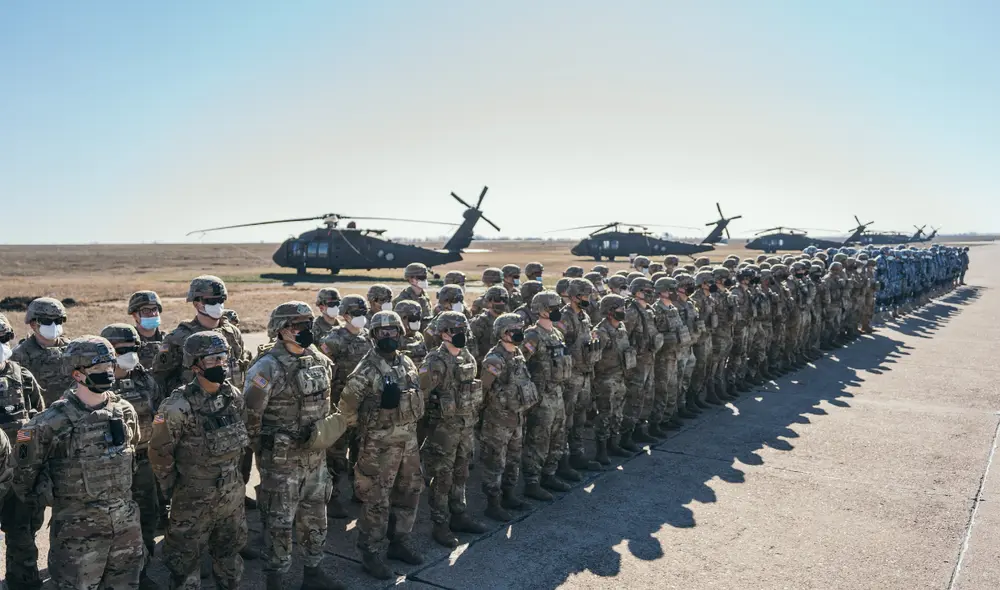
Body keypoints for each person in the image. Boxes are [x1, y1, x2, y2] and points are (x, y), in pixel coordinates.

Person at [13, 336, 144, 589]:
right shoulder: (48, 423)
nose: (107, 373)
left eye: (109, 366)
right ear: (77, 374)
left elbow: (133, 453)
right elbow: (23, 477)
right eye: (98, 368)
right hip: (77, 537)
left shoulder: (125, 411)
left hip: (126, 528)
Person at [243, 302, 347, 590]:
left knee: (316, 518)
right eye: (298, 325)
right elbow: (250, 418)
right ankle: (275, 580)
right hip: (281, 462)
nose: (305, 330)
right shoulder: (266, 368)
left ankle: (313, 573)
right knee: (278, 523)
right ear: (281, 330)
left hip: (315, 457)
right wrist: (267, 453)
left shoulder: (319, 361)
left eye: (307, 324)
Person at [150, 331, 249, 590]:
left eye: (224, 357)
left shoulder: (233, 396)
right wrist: (175, 488)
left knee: (229, 557)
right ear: (195, 365)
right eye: (213, 359)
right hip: (193, 498)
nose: (221, 364)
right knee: (185, 563)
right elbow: (160, 453)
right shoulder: (177, 407)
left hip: (231, 495)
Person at [151, 275, 254, 509]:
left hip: (231, 406)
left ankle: (237, 493)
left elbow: (239, 364)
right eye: (212, 300)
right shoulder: (179, 338)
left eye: (221, 299)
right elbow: (159, 377)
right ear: (197, 303)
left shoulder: (232, 332)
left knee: (239, 454)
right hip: (196, 415)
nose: (218, 304)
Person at [338, 311, 425, 580]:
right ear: (374, 336)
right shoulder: (366, 369)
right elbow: (346, 410)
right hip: (378, 446)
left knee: (409, 492)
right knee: (377, 501)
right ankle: (371, 552)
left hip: (407, 443)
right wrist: (373, 421)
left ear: (400, 333)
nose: (389, 336)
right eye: (382, 332)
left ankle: (399, 541)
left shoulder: (407, 361)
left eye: (393, 331)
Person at [101, 323, 163, 588]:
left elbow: (159, 411)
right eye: (122, 349)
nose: (129, 354)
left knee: (148, 516)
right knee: (114, 526)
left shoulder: (144, 378)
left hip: (144, 460)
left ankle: (142, 571)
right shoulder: (98, 382)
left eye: (133, 348)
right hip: (111, 468)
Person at [418, 311, 488, 547]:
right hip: (443, 432)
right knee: (442, 478)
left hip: (466, 427)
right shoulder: (433, 363)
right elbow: (421, 398)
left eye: (463, 330)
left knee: (462, 473)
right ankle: (440, 524)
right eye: (455, 330)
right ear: (443, 333)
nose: (461, 334)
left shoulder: (467, 356)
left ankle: (459, 515)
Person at [0, 313, 46, 590]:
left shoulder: (22, 377)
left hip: (17, 477)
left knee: (23, 537)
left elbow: (39, 422)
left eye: (3, 339)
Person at [479, 314, 539, 521]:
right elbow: (482, 390)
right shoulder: (494, 359)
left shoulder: (518, 354)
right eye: (513, 329)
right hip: (498, 420)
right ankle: (492, 504)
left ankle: (509, 495)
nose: (518, 333)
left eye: (519, 328)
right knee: (495, 462)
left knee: (513, 459)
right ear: (503, 333)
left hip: (516, 418)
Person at [319, 294, 373, 518]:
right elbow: (323, 372)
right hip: (339, 407)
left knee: (360, 451)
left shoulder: (368, 337)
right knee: (336, 455)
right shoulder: (333, 339)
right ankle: (331, 498)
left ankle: (358, 491)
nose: (361, 317)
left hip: (363, 406)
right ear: (345, 315)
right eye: (356, 313)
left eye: (363, 313)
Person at [521, 291, 574, 500]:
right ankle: (532, 482)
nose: (556, 311)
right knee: (538, 439)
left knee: (557, 436)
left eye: (557, 307)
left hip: (557, 393)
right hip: (541, 397)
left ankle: (549, 474)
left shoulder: (556, 333)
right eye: (552, 308)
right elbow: (519, 364)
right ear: (541, 310)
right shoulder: (532, 336)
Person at [557, 279, 602, 473]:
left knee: (580, 417)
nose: (588, 299)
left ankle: (577, 453)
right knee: (565, 420)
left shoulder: (584, 316)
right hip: (570, 376)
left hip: (584, 374)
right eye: (584, 296)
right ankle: (562, 459)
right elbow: (558, 350)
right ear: (574, 297)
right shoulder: (563, 318)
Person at [591, 295, 634, 465]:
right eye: (620, 309)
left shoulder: (621, 327)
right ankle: (601, 450)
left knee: (617, 414)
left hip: (620, 377)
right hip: (605, 380)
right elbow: (593, 358)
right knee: (604, 415)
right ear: (609, 312)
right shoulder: (599, 332)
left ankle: (612, 444)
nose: (623, 312)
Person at [12, 297, 74, 407]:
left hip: (73, 414)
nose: (54, 325)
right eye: (47, 321)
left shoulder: (73, 348)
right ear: (33, 324)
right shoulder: (19, 355)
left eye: (58, 320)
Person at [621, 278, 660, 448]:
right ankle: (625, 436)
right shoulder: (631, 312)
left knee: (647, 395)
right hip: (636, 363)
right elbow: (623, 339)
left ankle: (639, 429)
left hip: (649, 359)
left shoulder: (649, 310)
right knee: (633, 398)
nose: (650, 294)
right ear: (636, 292)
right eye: (646, 291)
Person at [468, 286, 509, 366]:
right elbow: (471, 351)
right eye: (497, 300)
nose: (501, 303)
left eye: (504, 300)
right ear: (489, 302)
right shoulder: (478, 323)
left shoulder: (509, 321)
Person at [128, 291, 165, 370]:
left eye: (155, 309)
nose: (152, 314)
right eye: (145, 310)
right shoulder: (128, 344)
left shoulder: (168, 340)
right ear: (135, 315)